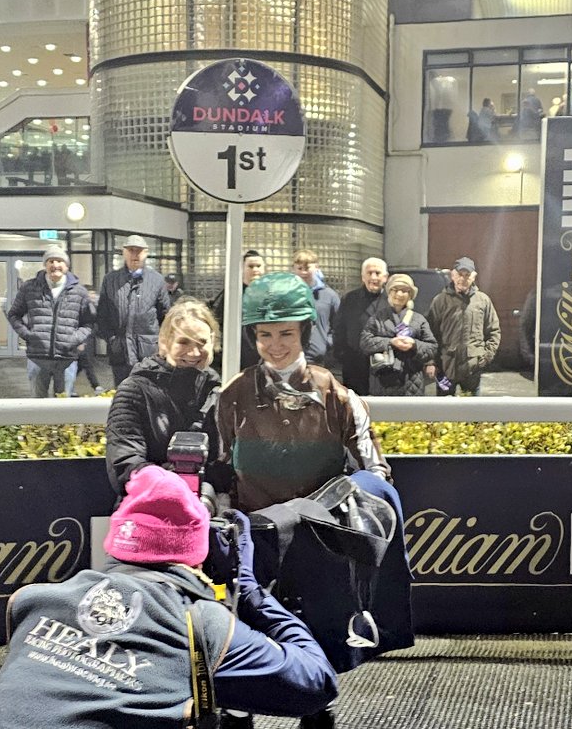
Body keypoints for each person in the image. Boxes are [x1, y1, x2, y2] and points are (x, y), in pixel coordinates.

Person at [0, 465, 338, 729]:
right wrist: (254, 593)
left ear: (116, 542)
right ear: (197, 552)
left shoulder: (33, 603)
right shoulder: (200, 625)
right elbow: (318, 683)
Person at [217, 273, 413, 729]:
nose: (275, 345)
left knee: (320, 637)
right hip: (257, 543)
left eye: (285, 333)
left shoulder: (338, 396)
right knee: (246, 635)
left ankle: (317, 706)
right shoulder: (232, 397)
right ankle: (237, 711)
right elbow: (219, 472)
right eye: (264, 335)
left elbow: (374, 472)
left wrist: (337, 511)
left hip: (318, 542)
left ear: (305, 331)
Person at [106, 299, 225, 502]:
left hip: (207, 516)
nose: (194, 353)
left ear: (212, 342)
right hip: (152, 513)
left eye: (202, 342)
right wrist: (180, 491)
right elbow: (125, 466)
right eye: (184, 342)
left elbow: (224, 464)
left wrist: (209, 496)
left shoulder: (216, 391)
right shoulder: (134, 391)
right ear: (164, 342)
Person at [6, 245, 93, 398]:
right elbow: (14, 314)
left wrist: (75, 339)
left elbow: (89, 322)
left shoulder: (79, 291)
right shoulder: (29, 288)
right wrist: (28, 335)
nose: (55, 265)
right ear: (45, 264)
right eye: (51, 261)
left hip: (67, 359)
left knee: (63, 407)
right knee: (37, 406)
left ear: (66, 265)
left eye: (59, 261)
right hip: (37, 358)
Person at [96, 235, 171, 387]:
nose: (135, 254)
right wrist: (112, 340)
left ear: (146, 253)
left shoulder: (156, 280)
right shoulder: (111, 279)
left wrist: (160, 344)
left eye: (139, 251)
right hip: (120, 353)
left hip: (149, 353)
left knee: (149, 393)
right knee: (123, 395)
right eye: (131, 250)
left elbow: (165, 316)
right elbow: (102, 315)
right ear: (123, 252)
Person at [425, 257, 501, 396]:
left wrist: (486, 356)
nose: (463, 279)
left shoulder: (483, 300)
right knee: (444, 412)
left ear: (474, 277)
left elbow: (494, 331)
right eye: (460, 274)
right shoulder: (440, 301)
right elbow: (430, 334)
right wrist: (431, 362)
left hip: (472, 368)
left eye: (467, 275)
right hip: (446, 367)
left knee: (472, 413)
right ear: (453, 275)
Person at [359, 273, 438, 396]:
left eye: (404, 291)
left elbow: (432, 347)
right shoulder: (378, 318)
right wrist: (390, 342)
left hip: (411, 382)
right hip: (383, 381)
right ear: (389, 293)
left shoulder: (419, 319)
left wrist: (414, 344)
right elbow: (365, 342)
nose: (399, 294)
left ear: (410, 295)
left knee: (410, 415)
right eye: (395, 290)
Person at [332, 257, 389, 394]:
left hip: (385, 368)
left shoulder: (392, 300)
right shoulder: (350, 299)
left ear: (386, 277)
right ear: (362, 277)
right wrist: (343, 355)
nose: (373, 277)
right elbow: (339, 330)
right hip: (354, 366)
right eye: (369, 273)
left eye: (377, 273)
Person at [210, 249, 266, 372]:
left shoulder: (270, 294)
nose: (255, 270)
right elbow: (217, 322)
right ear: (242, 269)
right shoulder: (231, 294)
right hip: (237, 356)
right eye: (251, 266)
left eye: (258, 266)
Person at [291, 249, 340, 367]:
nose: (303, 272)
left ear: (317, 268)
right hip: (290, 358)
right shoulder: (287, 294)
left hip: (317, 360)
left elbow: (339, 326)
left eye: (307, 268)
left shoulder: (330, 296)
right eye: (299, 268)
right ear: (293, 269)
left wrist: (326, 343)